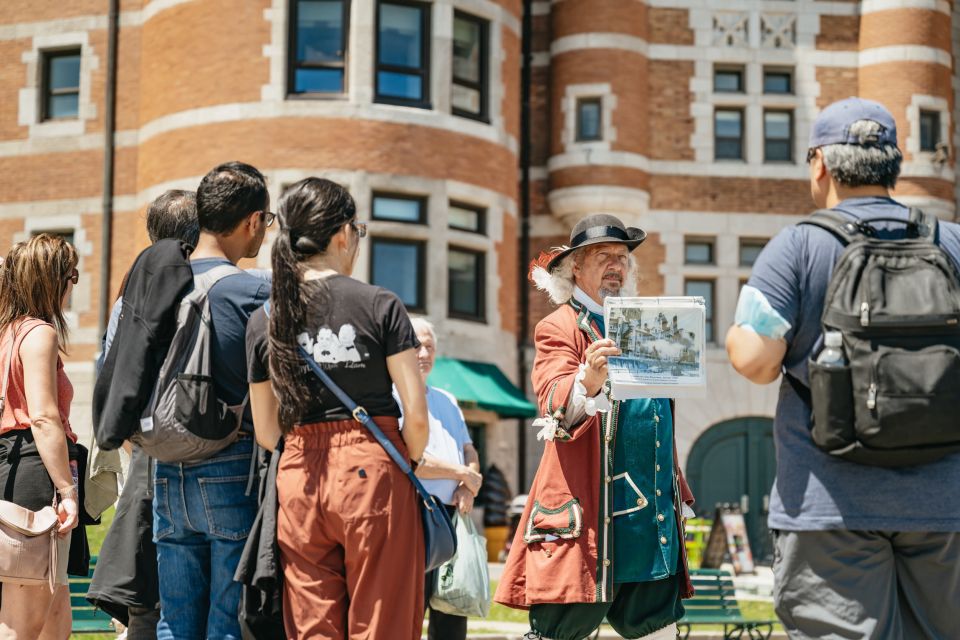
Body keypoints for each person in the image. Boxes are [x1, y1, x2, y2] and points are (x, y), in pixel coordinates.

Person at [726, 97, 960, 638]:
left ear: (820, 164)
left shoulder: (796, 247)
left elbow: (756, 363)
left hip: (829, 507)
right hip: (945, 504)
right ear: (894, 165)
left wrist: (739, 331)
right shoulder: (950, 243)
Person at [495, 214, 695, 640]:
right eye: (602, 256)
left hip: (649, 515)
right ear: (575, 269)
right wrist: (586, 382)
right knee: (561, 632)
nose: (616, 266)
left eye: (622, 258)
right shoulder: (559, 326)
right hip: (588, 513)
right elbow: (553, 405)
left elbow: (656, 418)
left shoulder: (646, 326)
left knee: (657, 629)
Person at [245, 177, 428, 639]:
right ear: (344, 234)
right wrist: (410, 456)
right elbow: (417, 415)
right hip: (373, 466)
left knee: (311, 624)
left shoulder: (265, 317)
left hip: (299, 472)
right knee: (382, 620)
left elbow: (266, 432)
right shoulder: (379, 304)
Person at [153, 162, 271, 640]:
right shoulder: (252, 290)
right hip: (229, 460)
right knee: (226, 624)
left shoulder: (150, 285)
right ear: (252, 222)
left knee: (175, 622)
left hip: (163, 465)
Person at [86, 189, 200, 639]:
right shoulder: (203, 284)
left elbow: (110, 373)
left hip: (146, 453)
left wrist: (136, 440)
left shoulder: (128, 292)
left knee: (146, 591)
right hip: (197, 451)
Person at [0, 234, 81, 639]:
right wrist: (67, 490)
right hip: (33, 473)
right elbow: (44, 418)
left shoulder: (7, 333)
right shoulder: (38, 334)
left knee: (56, 623)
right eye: (72, 276)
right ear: (52, 280)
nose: (74, 285)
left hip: (12, 467)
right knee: (21, 626)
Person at [405, 317, 482, 640]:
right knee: (410, 613)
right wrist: (462, 474)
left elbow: (469, 449)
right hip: (415, 518)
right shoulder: (395, 398)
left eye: (429, 346)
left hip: (451, 519)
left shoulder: (447, 399)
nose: (423, 353)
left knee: (451, 617)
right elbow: (413, 461)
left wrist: (468, 484)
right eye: (415, 345)